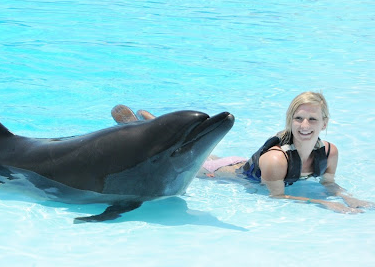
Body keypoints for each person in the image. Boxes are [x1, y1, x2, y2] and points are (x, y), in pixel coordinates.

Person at [111, 92, 373, 214]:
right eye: (299, 118)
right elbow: (278, 197)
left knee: (204, 152)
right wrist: (324, 204)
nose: (305, 126)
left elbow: (329, 183)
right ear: (290, 120)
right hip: (228, 174)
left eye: (313, 120)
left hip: (241, 163)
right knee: (189, 159)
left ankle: (150, 122)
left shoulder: (330, 152)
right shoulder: (275, 160)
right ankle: (138, 126)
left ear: (324, 123)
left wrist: (347, 197)